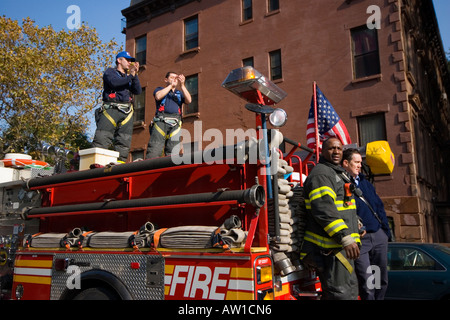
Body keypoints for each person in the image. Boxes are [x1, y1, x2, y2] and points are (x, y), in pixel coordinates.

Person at [300, 137, 361, 300]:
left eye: (339, 148)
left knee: (349, 291)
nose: (336, 152)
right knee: (340, 294)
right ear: (322, 151)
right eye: (331, 148)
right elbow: (324, 209)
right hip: (330, 249)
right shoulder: (321, 174)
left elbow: (342, 207)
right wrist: (345, 237)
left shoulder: (337, 173)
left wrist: (356, 224)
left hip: (340, 248)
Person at [342, 148, 391, 300]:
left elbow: (379, 207)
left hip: (378, 236)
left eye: (360, 163)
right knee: (367, 284)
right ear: (345, 163)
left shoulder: (366, 183)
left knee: (380, 281)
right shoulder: (339, 183)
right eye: (356, 162)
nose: (359, 166)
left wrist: (386, 232)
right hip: (360, 241)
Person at [92, 51, 142, 163]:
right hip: (111, 109)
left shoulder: (128, 77)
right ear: (119, 60)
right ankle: (97, 164)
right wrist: (131, 76)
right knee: (103, 137)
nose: (130, 63)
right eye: (127, 60)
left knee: (124, 140)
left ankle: (120, 164)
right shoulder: (110, 72)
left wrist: (134, 76)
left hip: (127, 111)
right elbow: (115, 83)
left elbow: (137, 90)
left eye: (131, 61)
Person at [146, 72, 192, 159]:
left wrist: (182, 85)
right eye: (172, 77)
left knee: (173, 152)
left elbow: (189, 100)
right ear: (166, 80)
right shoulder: (159, 89)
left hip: (175, 124)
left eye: (176, 78)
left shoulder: (179, 93)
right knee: (155, 150)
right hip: (161, 123)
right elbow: (158, 96)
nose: (175, 79)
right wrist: (170, 86)